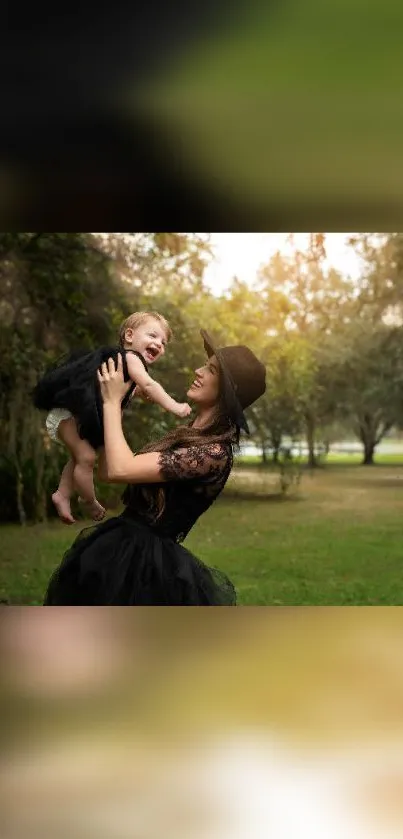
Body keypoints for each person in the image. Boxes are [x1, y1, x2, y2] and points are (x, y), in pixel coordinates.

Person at [43, 329, 266, 606]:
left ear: (227, 391)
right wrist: (104, 411)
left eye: (210, 370)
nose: (198, 371)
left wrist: (111, 402)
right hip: (120, 543)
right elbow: (107, 469)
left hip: (145, 568)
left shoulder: (212, 453)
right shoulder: (187, 435)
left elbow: (119, 470)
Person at [33, 311, 191, 525]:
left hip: (79, 420)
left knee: (81, 456)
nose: (159, 344)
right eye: (153, 336)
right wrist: (174, 406)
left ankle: (62, 493)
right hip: (68, 415)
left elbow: (133, 390)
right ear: (129, 336)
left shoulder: (122, 364)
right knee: (86, 458)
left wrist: (139, 393)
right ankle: (88, 501)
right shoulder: (130, 358)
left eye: (163, 342)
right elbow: (150, 385)